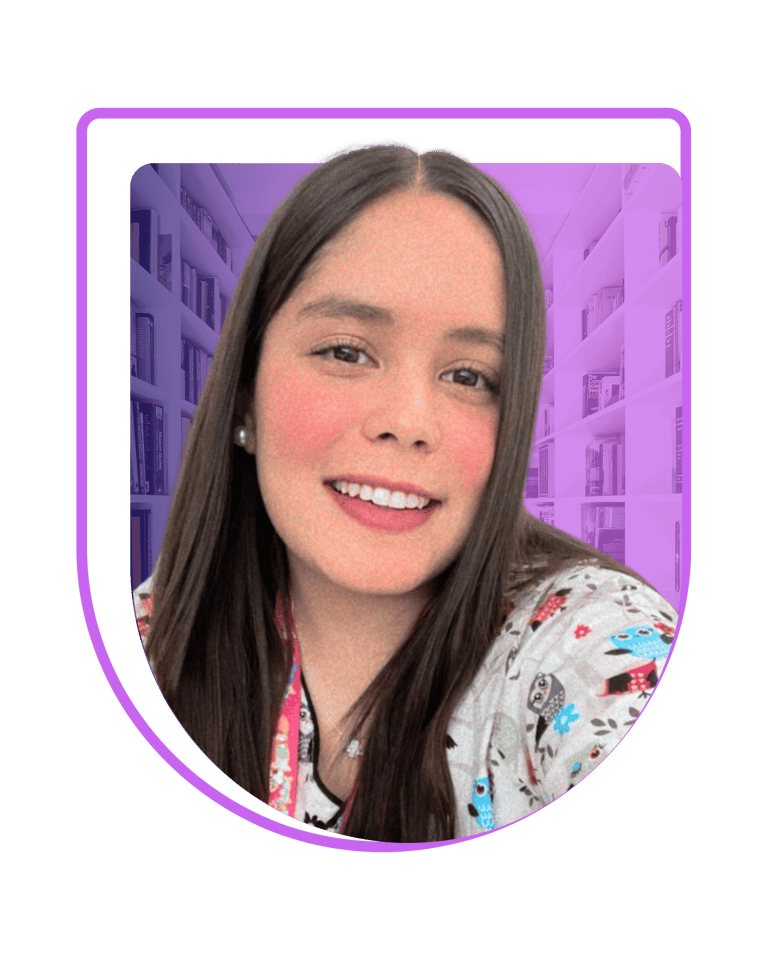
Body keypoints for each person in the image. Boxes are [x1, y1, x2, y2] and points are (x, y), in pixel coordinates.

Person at [133, 143, 678, 843]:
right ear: (244, 395)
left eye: (469, 376)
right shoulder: (148, 642)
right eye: (345, 351)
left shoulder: (591, 643)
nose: (409, 423)